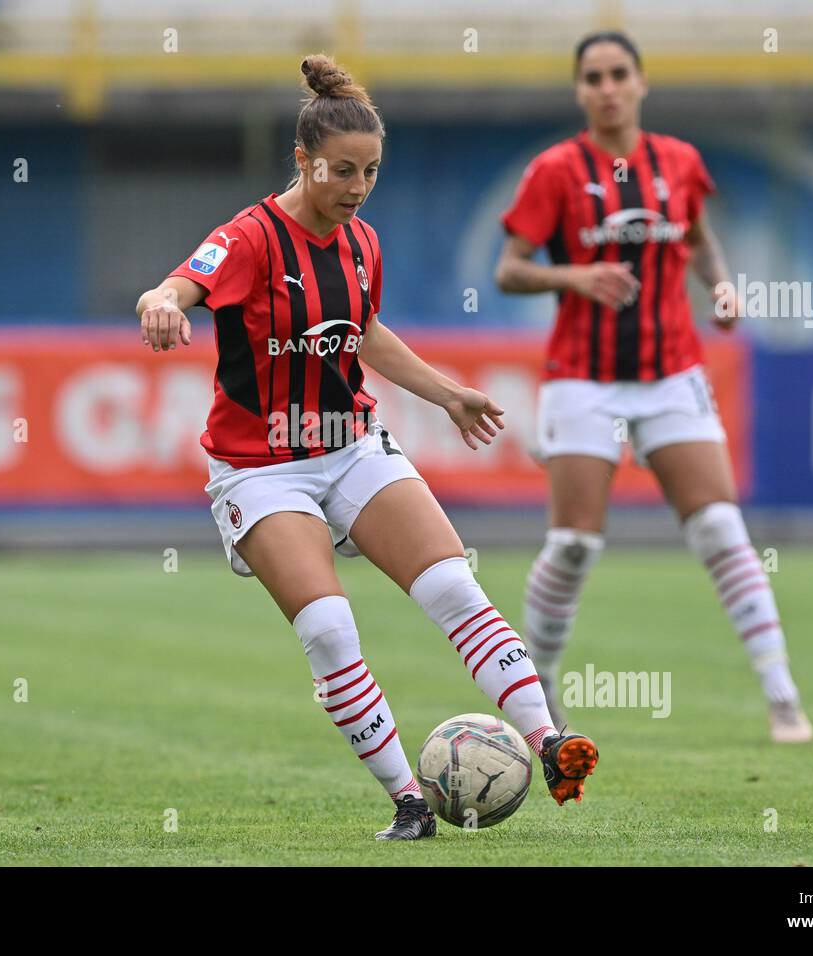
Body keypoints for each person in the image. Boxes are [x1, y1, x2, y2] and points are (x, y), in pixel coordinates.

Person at [135, 55, 600, 841]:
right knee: (327, 628)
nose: (355, 187)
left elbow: (366, 331)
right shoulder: (248, 239)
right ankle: (409, 801)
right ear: (303, 161)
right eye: (341, 171)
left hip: (353, 447)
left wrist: (447, 392)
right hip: (261, 468)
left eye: (371, 172)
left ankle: (550, 744)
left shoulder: (362, 244)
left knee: (454, 586)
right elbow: (179, 285)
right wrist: (159, 303)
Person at [494, 31, 812, 743]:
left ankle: (782, 693)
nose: (607, 88)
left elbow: (698, 240)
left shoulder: (679, 162)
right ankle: (537, 693)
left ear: (641, 83)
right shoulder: (554, 171)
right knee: (575, 543)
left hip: (673, 372)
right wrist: (573, 276)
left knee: (721, 527)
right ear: (580, 91)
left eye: (618, 75)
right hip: (583, 376)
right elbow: (509, 269)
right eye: (592, 78)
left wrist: (722, 288)